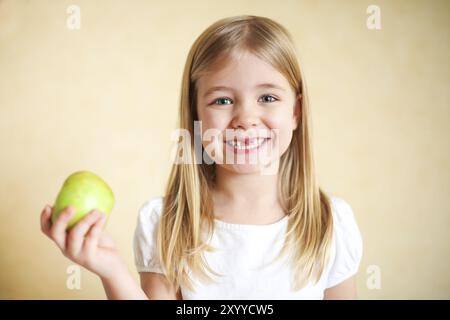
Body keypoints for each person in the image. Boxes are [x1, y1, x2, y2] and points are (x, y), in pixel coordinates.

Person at [40, 15, 363, 300]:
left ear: (296, 112)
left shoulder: (331, 224)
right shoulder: (166, 224)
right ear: (194, 115)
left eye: (267, 97)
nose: (245, 118)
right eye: (222, 100)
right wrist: (112, 270)